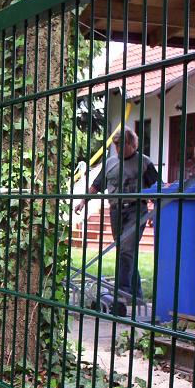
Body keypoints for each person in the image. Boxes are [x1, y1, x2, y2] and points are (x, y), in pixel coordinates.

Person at [75, 126, 159, 314]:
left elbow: (157, 188)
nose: (119, 148)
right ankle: (136, 295)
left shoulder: (144, 163)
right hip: (116, 211)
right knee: (125, 252)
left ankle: (122, 294)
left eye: (122, 144)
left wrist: (156, 211)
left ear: (132, 144)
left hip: (136, 210)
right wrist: (82, 202)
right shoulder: (110, 163)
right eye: (116, 145)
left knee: (126, 250)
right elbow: (96, 185)